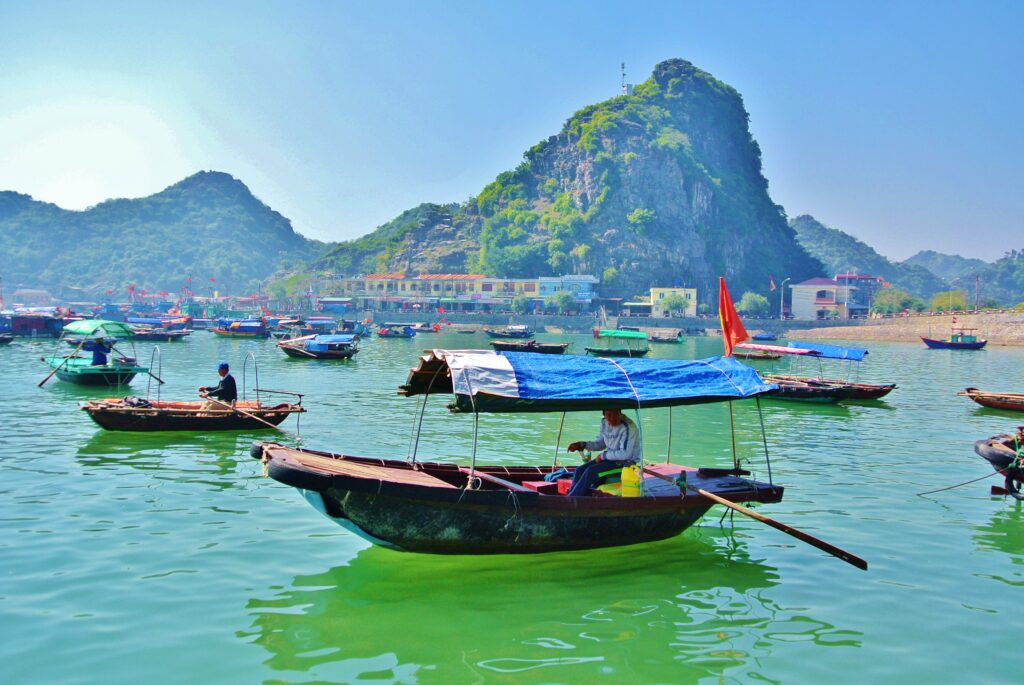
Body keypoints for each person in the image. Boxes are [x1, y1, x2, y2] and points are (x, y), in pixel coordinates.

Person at [565, 408, 643, 496]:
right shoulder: (604, 423)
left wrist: (603, 456)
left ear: (620, 413)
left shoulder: (628, 427)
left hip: (625, 463)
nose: (613, 418)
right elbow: (600, 444)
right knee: (579, 470)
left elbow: (625, 454)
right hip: (610, 458)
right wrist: (582, 444)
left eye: (616, 414)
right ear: (604, 415)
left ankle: (572, 500)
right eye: (609, 415)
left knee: (590, 472)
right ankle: (573, 496)